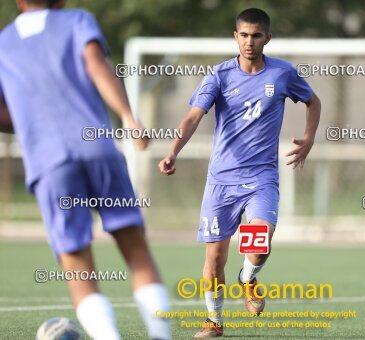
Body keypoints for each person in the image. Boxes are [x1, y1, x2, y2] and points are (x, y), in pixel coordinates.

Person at [0, 1, 171, 339]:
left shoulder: (4, 42)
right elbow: (96, 66)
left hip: (50, 164)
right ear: (60, 0)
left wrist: (31, 122)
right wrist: (129, 118)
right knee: (136, 250)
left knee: (78, 266)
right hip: (98, 148)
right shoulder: (77, 20)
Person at [158, 7, 321, 338]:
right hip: (221, 180)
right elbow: (192, 118)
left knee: (258, 245)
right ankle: (214, 322)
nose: (249, 42)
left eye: (256, 35)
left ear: (267, 38)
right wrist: (173, 151)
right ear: (236, 37)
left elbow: (313, 101)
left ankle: (247, 278)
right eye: (244, 35)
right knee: (214, 259)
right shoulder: (218, 76)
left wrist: (308, 139)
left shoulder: (282, 74)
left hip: (261, 178)